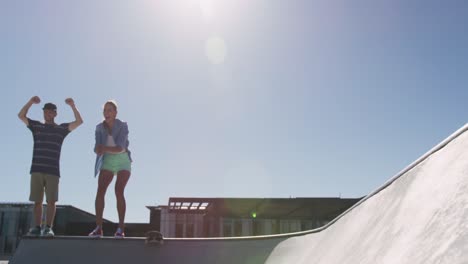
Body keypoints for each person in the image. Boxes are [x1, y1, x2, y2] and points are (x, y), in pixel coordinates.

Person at [18, 96, 83, 237]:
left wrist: (73, 106)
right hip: (36, 169)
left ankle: (48, 228)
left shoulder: (61, 129)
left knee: (51, 201)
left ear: (55, 114)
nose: (47, 114)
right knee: (37, 201)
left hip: (53, 170)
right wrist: (30, 102)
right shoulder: (36, 126)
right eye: (45, 112)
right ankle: (36, 227)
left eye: (50, 112)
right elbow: (21, 116)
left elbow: (79, 122)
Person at [89, 100, 132, 238]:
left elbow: (120, 147)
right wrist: (97, 149)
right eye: (105, 110)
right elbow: (97, 146)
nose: (106, 113)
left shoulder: (123, 126)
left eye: (109, 110)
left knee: (118, 191)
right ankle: (98, 228)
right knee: (100, 191)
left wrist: (104, 148)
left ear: (115, 112)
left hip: (122, 160)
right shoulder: (99, 127)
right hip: (107, 160)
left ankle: (120, 229)